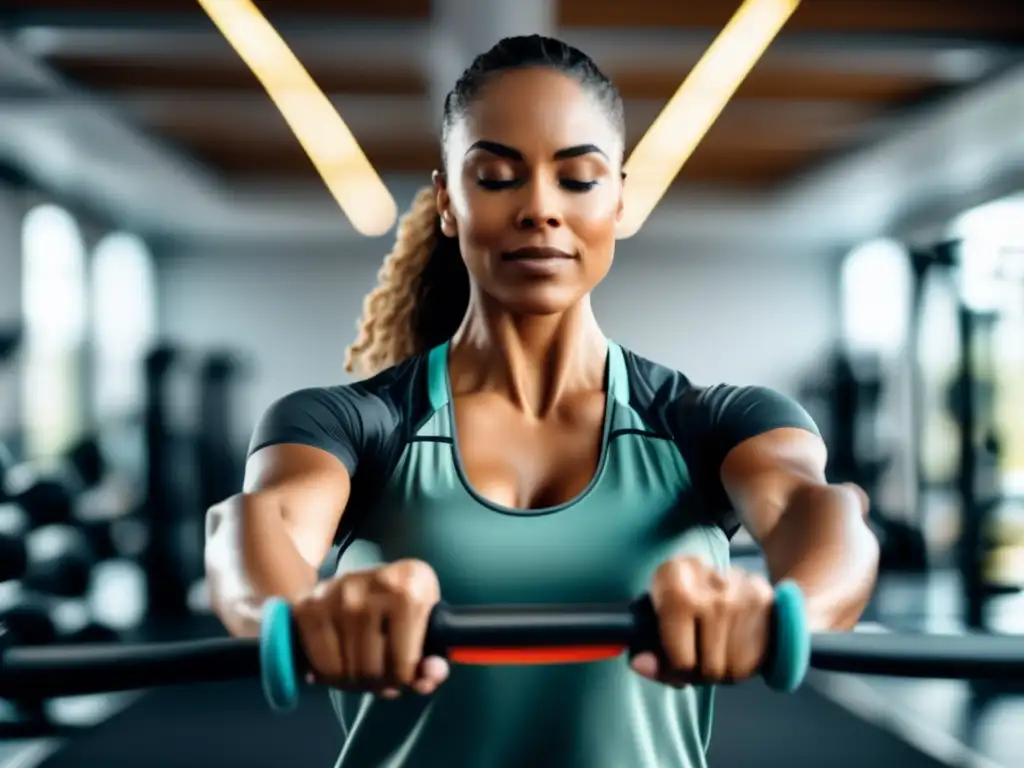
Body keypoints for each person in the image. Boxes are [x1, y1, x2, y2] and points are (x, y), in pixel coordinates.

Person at [205, 34, 880, 768]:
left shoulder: (713, 423)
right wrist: (300, 614)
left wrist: (778, 614)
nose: (538, 210)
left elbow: (822, 515)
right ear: (447, 203)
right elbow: (256, 528)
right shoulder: (344, 423)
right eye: (495, 176)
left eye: (579, 179)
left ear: (620, 198)